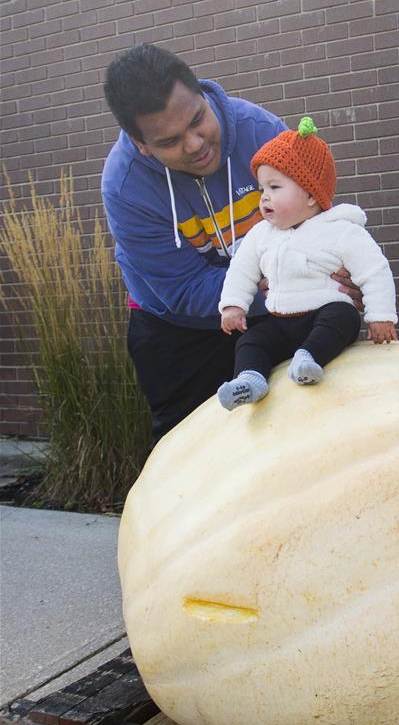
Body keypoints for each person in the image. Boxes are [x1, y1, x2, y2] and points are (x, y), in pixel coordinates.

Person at [101, 43, 360, 443]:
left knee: (299, 432)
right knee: (190, 449)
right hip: (178, 329)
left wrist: (336, 278)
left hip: (277, 303)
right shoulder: (125, 185)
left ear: (203, 94)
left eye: (197, 120)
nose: (194, 144)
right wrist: (282, 279)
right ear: (142, 145)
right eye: (170, 141)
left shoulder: (262, 132)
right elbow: (182, 290)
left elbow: (312, 220)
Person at [217, 118, 398, 411]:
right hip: (281, 320)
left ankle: (309, 360)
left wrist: (381, 316)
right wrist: (233, 305)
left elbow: (374, 271)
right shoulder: (261, 235)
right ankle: (250, 380)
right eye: (262, 188)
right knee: (251, 340)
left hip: (323, 314)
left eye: (274, 187)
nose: (264, 197)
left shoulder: (342, 230)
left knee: (342, 316)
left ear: (311, 194)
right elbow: (241, 270)